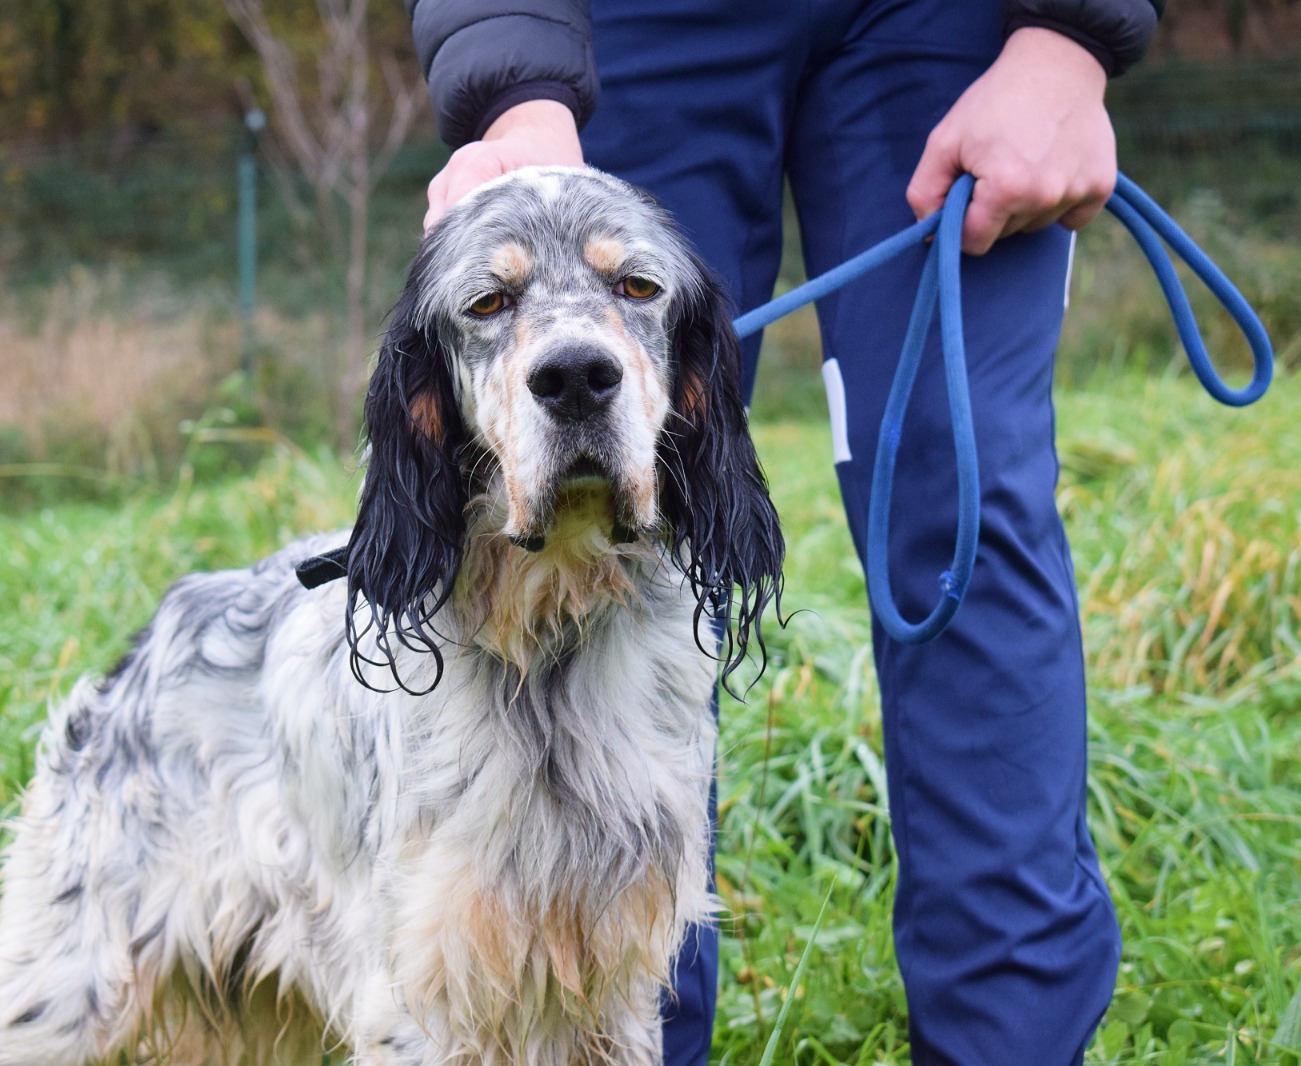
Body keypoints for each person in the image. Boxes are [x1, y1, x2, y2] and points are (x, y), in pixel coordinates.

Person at [404, 1, 1162, 1062]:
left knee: (962, 496)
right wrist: (518, 87)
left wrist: (1069, 40)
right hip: (623, 27)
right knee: (600, 526)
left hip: (958, 19)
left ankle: (1011, 1043)